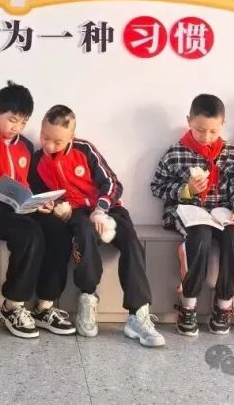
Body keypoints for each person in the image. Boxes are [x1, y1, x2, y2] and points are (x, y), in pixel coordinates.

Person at [31, 104, 165, 347]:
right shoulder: (38, 160)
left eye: (57, 142)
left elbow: (113, 184)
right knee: (83, 235)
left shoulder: (85, 150)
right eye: (45, 137)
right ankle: (88, 298)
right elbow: (39, 195)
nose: (49, 146)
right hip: (76, 212)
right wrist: (56, 208)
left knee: (131, 242)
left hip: (106, 208)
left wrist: (101, 210)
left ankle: (138, 315)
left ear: (71, 136)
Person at [0, 82, 73, 338]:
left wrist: (43, 202)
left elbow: (32, 184)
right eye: (12, 120)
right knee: (28, 232)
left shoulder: (25, 145)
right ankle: (12, 305)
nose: (17, 127)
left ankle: (44, 305)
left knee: (58, 229)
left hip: (22, 207)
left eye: (23, 122)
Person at [150, 94, 234, 337]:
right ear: (189, 121)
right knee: (200, 236)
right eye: (199, 130)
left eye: (213, 131)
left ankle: (224, 304)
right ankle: (188, 304)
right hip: (188, 212)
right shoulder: (175, 153)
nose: (206, 137)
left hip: (222, 213)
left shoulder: (231, 153)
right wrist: (186, 190)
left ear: (223, 124)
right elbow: (157, 187)